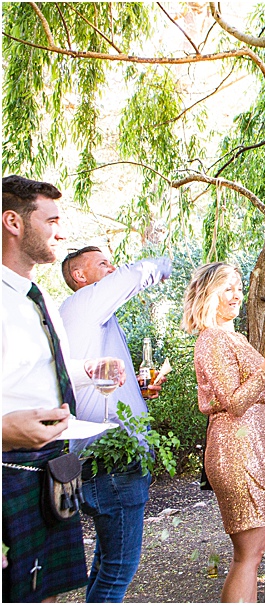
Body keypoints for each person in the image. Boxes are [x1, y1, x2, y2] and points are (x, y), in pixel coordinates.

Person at [1, 175, 113, 602]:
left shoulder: (38, 297)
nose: (61, 233)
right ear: (13, 222)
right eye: (51, 221)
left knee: (45, 594)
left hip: (52, 468)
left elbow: (39, 372)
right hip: (8, 468)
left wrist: (88, 370)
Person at [58, 246, 171, 602]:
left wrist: (138, 392)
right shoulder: (83, 303)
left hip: (107, 463)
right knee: (119, 568)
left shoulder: (94, 320)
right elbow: (131, 276)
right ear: (79, 276)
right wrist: (162, 265)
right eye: (103, 263)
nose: (113, 268)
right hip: (113, 463)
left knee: (106, 563)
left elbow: (97, 386)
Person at [182, 262, 265, 603]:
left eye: (238, 287)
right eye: (227, 289)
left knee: (253, 554)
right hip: (236, 449)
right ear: (208, 295)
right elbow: (234, 402)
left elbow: (257, 389)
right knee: (247, 556)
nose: (236, 295)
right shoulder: (212, 339)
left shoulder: (235, 337)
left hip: (255, 447)